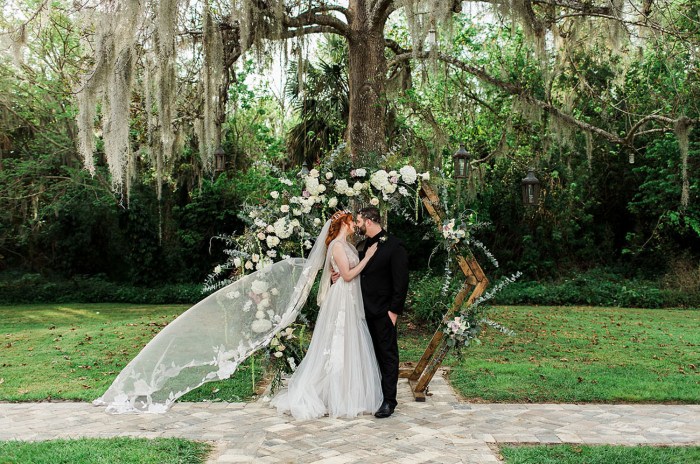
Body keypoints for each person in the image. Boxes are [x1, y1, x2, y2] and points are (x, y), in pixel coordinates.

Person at [271, 211, 382, 420]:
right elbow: (348, 276)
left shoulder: (347, 245)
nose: (354, 226)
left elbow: (345, 271)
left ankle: (349, 391)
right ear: (343, 223)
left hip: (350, 297)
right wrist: (367, 258)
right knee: (339, 340)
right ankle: (335, 393)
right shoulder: (337, 246)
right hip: (342, 299)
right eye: (351, 222)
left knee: (351, 341)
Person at [352, 206, 409, 418]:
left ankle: (389, 401)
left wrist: (393, 312)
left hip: (384, 311)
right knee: (369, 354)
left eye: (359, 221)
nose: (357, 225)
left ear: (368, 221)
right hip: (362, 310)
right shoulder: (362, 245)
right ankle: (374, 395)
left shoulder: (395, 246)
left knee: (387, 355)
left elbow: (401, 282)